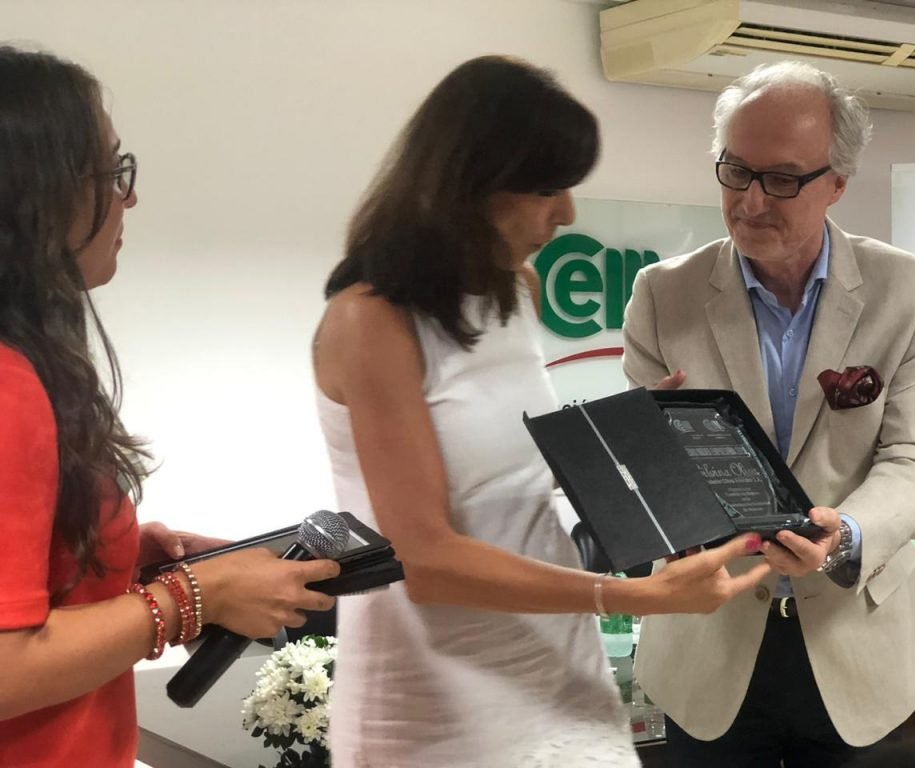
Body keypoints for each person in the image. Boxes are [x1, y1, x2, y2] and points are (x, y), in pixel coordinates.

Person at [312, 54, 771, 768]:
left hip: (553, 657)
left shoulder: (515, 288)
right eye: (547, 189)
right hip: (437, 694)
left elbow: (511, 468)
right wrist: (635, 597)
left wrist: (625, 429)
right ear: (469, 184)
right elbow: (424, 559)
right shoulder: (370, 321)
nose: (567, 213)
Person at [0, 46, 342, 768]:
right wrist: (193, 597)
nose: (127, 200)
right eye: (110, 173)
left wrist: (110, 562)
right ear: (34, 192)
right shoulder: (8, 386)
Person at [622, 60, 915, 766]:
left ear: (838, 182)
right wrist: (646, 449)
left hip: (857, 643)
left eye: (781, 179)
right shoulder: (662, 294)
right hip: (705, 646)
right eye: (736, 171)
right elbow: (645, 474)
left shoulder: (909, 289)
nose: (750, 202)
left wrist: (848, 534)